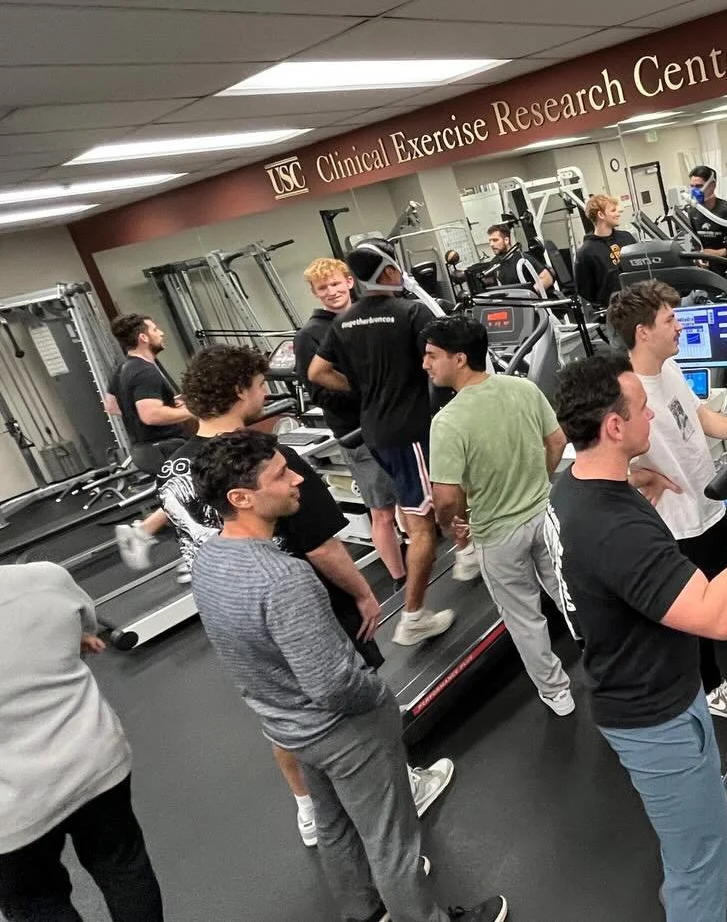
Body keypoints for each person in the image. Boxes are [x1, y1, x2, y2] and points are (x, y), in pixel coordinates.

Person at [547, 354, 727, 922]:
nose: (652, 416)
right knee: (701, 860)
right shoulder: (615, 528)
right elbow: (717, 616)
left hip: (657, 693)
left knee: (694, 833)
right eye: (640, 409)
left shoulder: (578, 486)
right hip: (653, 717)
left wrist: (638, 480)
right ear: (614, 427)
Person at [190, 432, 505, 922]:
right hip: (344, 734)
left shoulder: (208, 561)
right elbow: (332, 684)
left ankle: (363, 912)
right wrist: (377, 693)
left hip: (290, 728)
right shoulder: (284, 578)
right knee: (393, 844)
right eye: (281, 475)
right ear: (241, 498)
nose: (297, 478)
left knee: (335, 828)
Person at [163, 344, 452, 847]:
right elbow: (321, 546)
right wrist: (366, 593)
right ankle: (402, 786)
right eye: (258, 385)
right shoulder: (267, 461)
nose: (263, 392)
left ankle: (309, 809)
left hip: (228, 612)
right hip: (297, 606)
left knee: (278, 712)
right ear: (239, 392)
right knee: (353, 698)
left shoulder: (172, 471)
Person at [608, 279, 727, 721]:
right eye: (669, 319)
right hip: (673, 524)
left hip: (708, 502)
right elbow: (594, 455)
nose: (679, 326)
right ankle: (712, 688)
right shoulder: (626, 390)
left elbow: (699, 417)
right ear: (642, 332)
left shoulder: (670, 369)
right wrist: (636, 475)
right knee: (694, 612)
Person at [422, 314, 575, 717]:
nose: (426, 364)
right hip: (545, 515)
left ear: (459, 359)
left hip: (496, 535)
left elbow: (446, 496)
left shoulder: (447, 421)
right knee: (570, 595)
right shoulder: (523, 388)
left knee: (525, 619)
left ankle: (558, 694)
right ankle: (609, 660)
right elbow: (557, 440)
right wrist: (538, 479)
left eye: (432, 356)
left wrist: (448, 526)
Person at [0, 561, 165, 922]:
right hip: (94, 762)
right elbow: (80, 627)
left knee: (37, 900)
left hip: (13, 808)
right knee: (122, 866)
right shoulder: (45, 577)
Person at [309, 244, 455, 646]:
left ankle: (466, 546)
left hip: (375, 431)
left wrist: (360, 387)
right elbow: (439, 365)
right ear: (388, 272)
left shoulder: (344, 322)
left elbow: (317, 371)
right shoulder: (410, 312)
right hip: (409, 432)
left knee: (422, 503)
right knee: (423, 523)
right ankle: (414, 616)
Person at [295, 257, 406, 592]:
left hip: (395, 422)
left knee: (411, 501)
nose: (331, 292)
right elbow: (317, 390)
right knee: (382, 511)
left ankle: (422, 554)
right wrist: (366, 395)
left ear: (348, 281)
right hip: (359, 433)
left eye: (335, 283)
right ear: (315, 293)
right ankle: (401, 580)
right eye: (322, 288)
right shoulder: (310, 336)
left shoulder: (369, 317)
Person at [107, 313, 191, 575]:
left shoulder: (124, 368)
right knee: (201, 498)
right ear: (144, 337)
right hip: (162, 446)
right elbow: (150, 415)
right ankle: (191, 559)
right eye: (155, 329)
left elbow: (111, 405)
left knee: (190, 496)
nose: (161, 332)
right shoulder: (145, 371)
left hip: (143, 449)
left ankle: (143, 531)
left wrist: (167, 404)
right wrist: (192, 411)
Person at [574, 194, 636, 309]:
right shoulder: (586, 252)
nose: (618, 213)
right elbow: (585, 291)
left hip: (639, 303)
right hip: (614, 311)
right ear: (601, 215)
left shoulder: (627, 238)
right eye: (613, 210)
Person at [485, 224, 553, 291]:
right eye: (490, 241)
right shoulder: (494, 263)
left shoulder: (523, 259)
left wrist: (530, 294)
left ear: (506, 240)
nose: (491, 244)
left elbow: (547, 278)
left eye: (495, 240)